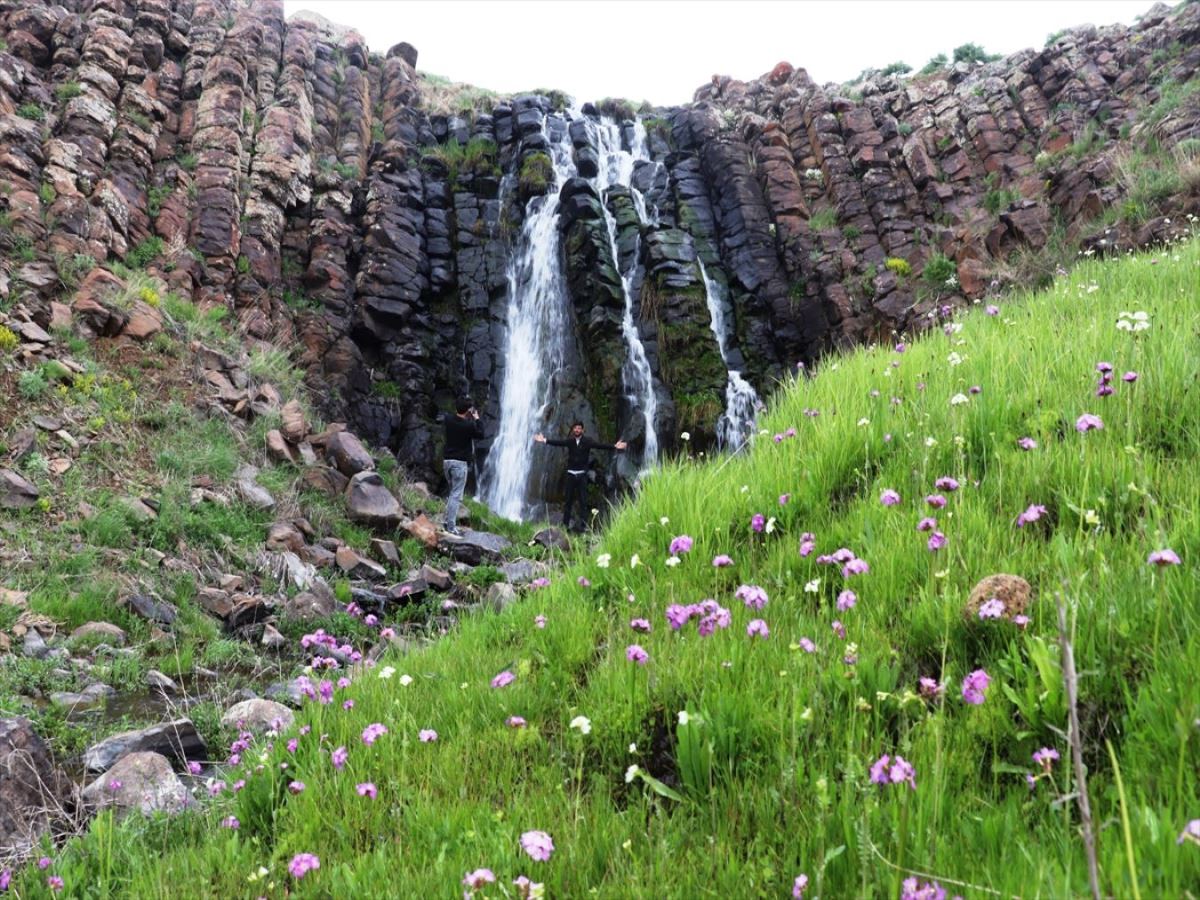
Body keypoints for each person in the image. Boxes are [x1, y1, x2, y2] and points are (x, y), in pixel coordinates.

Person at [534, 422, 627, 532]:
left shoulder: (587, 441)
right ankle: (565, 525)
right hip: (571, 474)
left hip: (582, 474)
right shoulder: (570, 442)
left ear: (582, 430)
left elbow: (599, 445)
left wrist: (614, 446)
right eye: (576, 428)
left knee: (583, 501)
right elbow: (558, 443)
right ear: (573, 430)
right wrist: (544, 440)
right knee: (568, 501)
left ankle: (583, 526)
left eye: (579, 428)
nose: (577, 430)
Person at [442, 398, 483, 537]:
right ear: (468, 411)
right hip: (459, 464)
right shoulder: (469, 426)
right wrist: (477, 418)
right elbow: (481, 434)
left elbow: (451, 417)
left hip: (447, 462)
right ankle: (451, 527)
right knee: (456, 495)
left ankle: (446, 521)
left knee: (451, 492)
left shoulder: (448, 419)